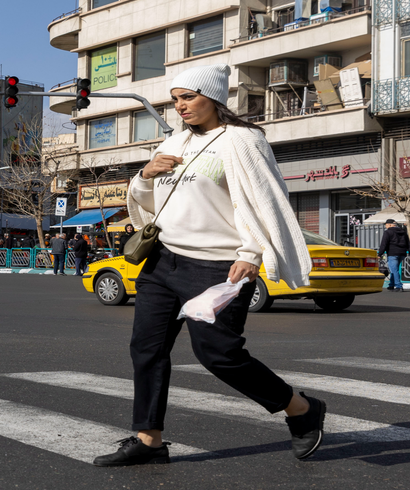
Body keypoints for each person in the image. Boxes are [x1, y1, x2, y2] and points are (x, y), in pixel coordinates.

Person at [95, 64, 324, 467]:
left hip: (217, 265)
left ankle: (301, 409)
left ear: (213, 97)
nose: (180, 106)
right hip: (162, 261)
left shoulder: (242, 140)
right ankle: (149, 441)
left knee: (219, 354)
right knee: (146, 350)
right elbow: (149, 204)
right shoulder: (173, 143)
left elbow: (265, 199)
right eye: (175, 99)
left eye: (188, 97)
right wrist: (145, 175)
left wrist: (250, 254)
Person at [378, 218, 408, 292]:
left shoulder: (388, 232)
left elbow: (384, 244)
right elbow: (408, 243)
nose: (386, 226)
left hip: (392, 253)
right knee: (394, 269)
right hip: (402, 253)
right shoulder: (403, 232)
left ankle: (398, 286)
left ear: (390, 225)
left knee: (394, 270)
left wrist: (380, 254)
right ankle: (391, 285)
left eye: (386, 225)